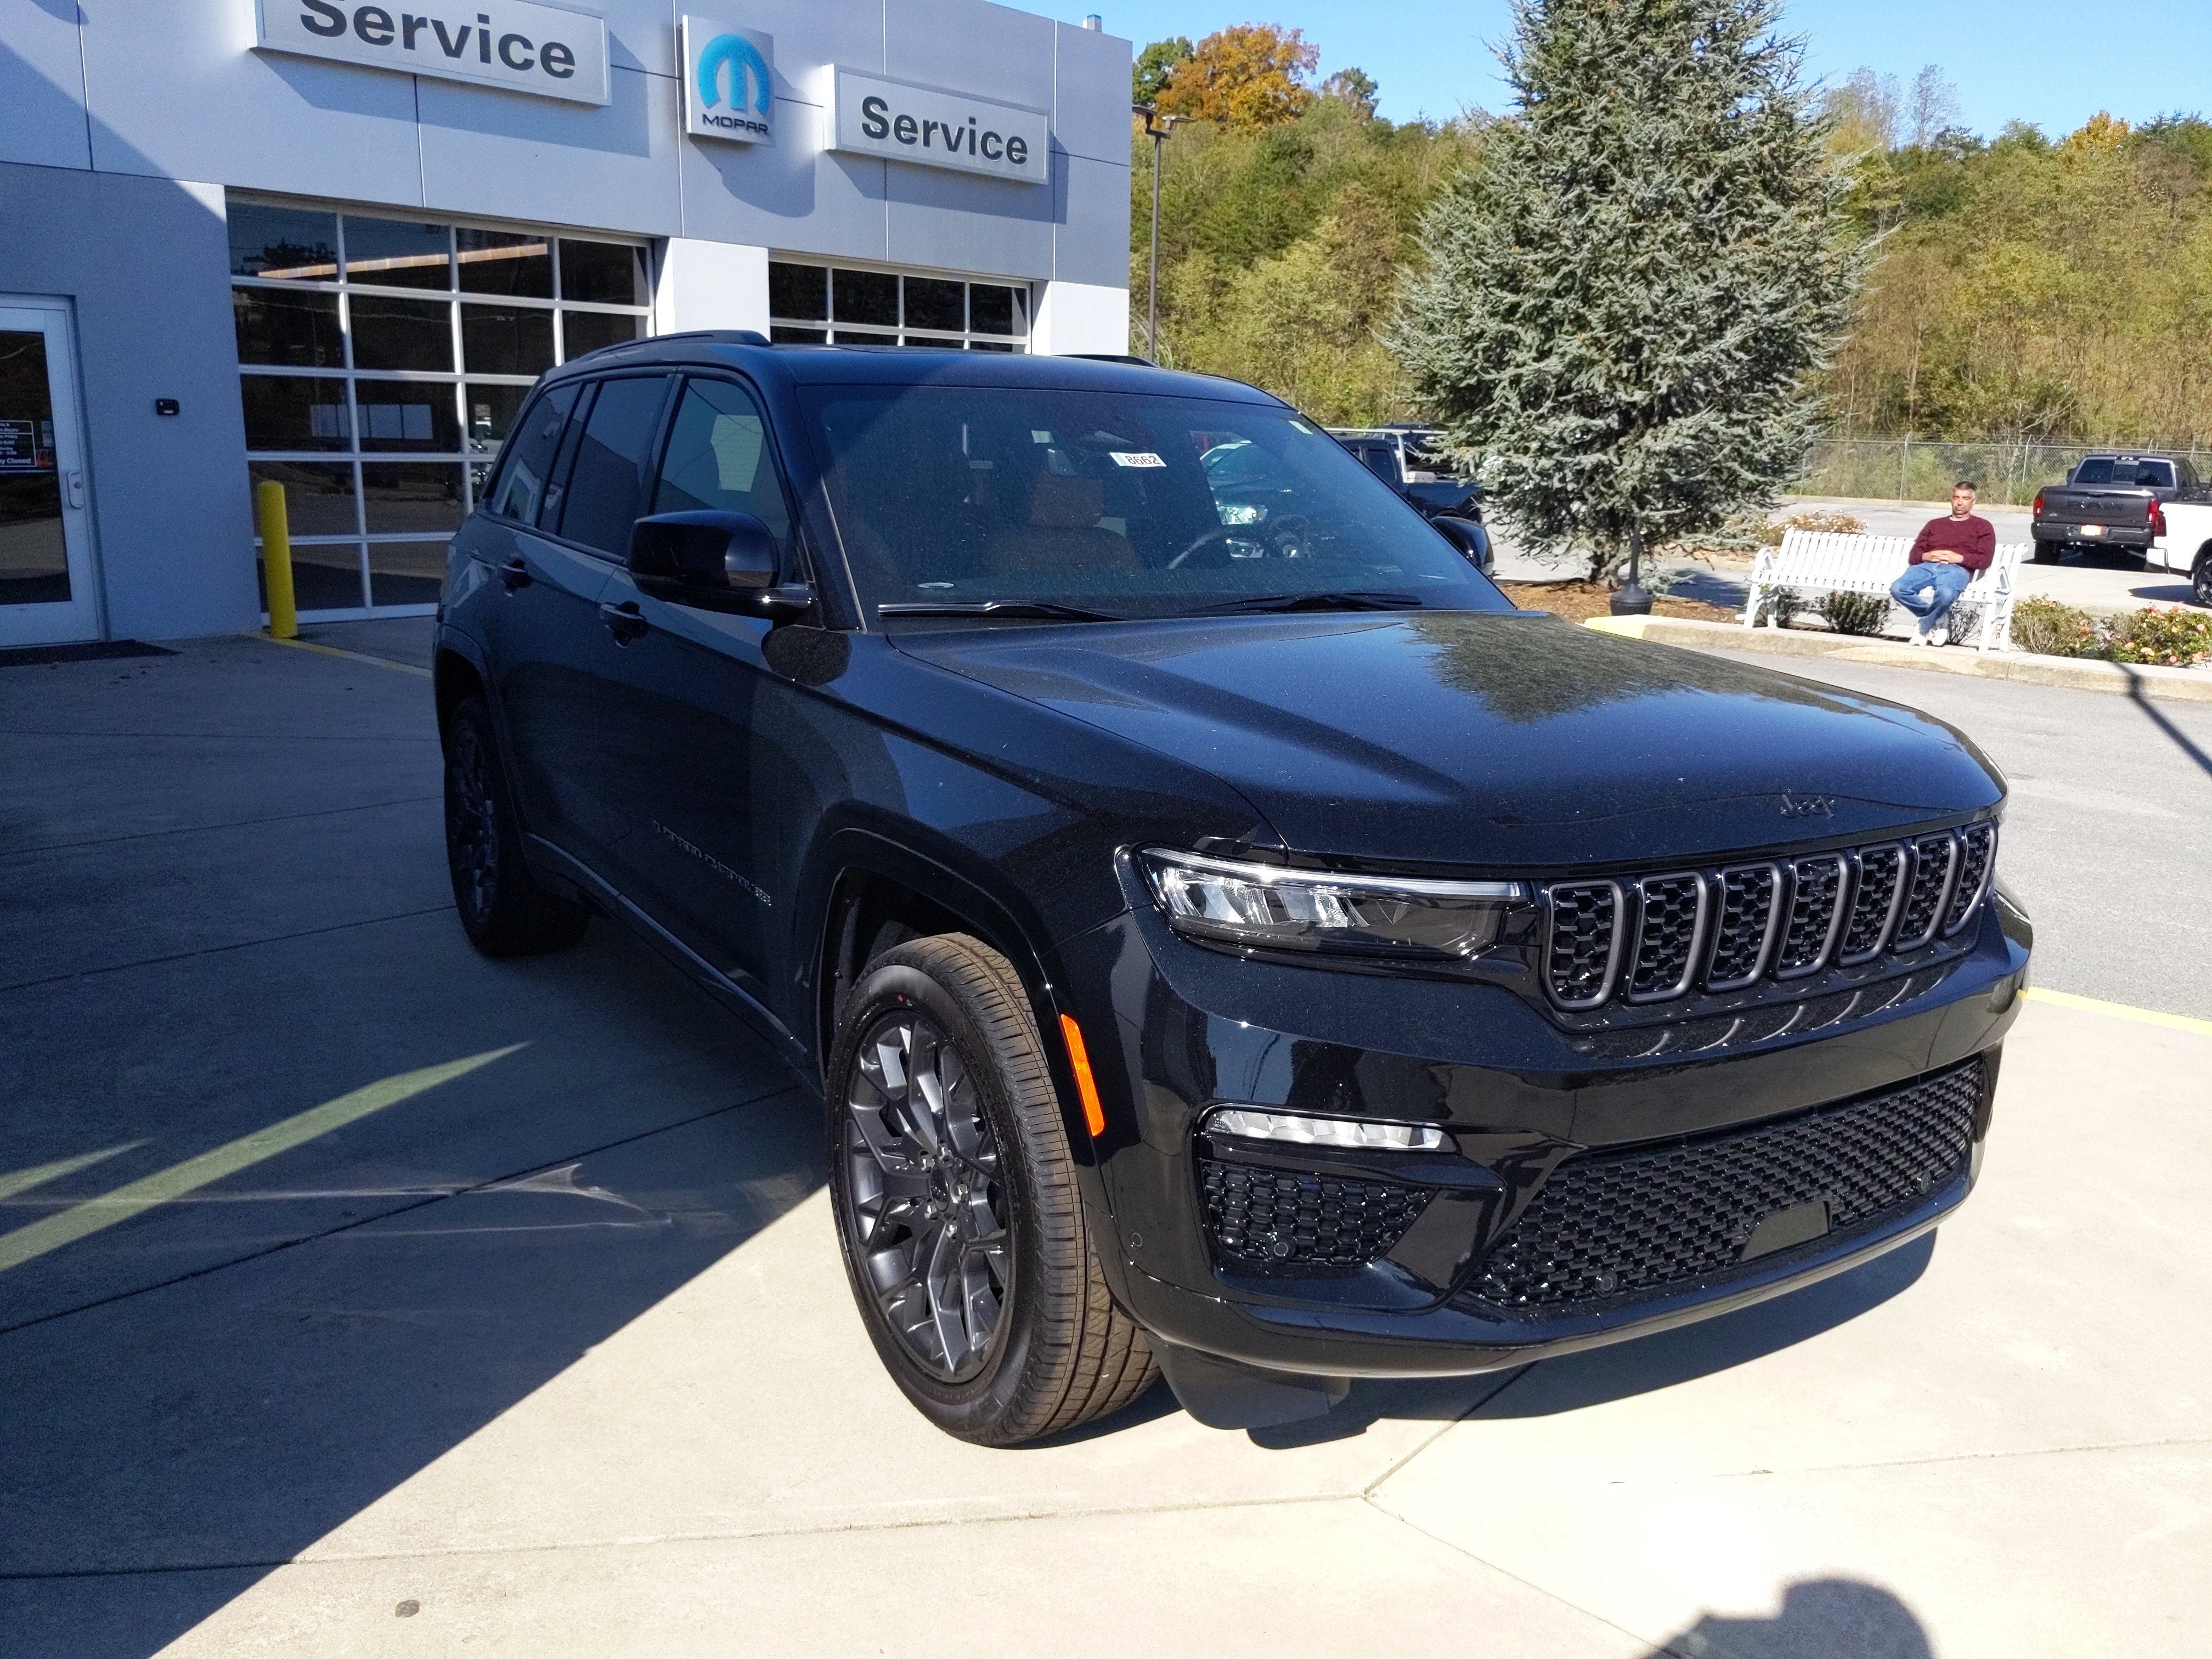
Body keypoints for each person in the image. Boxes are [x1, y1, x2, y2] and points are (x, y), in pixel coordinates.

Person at [1891, 481, 1994, 646]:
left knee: (1946, 594)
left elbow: (1985, 559)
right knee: (1898, 589)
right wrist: (1927, 555)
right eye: (1957, 498)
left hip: (1956, 570)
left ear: (1973, 502)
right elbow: (1914, 556)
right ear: (1952, 500)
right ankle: (1938, 617)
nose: (1960, 503)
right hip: (1927, 567)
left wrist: (1959, 558)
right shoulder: (1935, 525)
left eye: (1966, 498)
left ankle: (1923, 627)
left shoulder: (1983, 527)